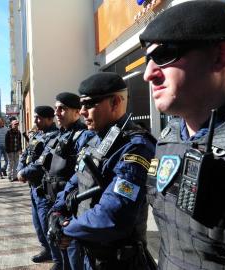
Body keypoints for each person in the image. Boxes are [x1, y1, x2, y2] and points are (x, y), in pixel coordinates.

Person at [140, 1, 225, 269]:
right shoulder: (169, 135)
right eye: (148, 60)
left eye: (165, 54)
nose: (148, 73)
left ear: (220, 55)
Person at [51, 72, 156, 269]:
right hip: (88, 253)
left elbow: (113, 214)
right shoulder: (96, 140)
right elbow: (78, 178)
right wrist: (57, 212)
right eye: (81, 105)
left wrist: (68, 229)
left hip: (119, 261)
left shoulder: (135, 146)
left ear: (115, 102)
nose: (82, 111)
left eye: (89, 104)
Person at [37, 92, 94, 270]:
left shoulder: (84, 136)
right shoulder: (59, 135)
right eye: (56, 109)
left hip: (71, 206)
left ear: (77, 112)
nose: (57, 113)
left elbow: (81, 175)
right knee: (59, 247)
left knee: (74, 254)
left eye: (62, 109)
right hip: (54, 203)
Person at [17, 106, 62, 270]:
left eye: (39, 118)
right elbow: (25, 154)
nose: (35, 121)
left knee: (47, 225)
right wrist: (19, 169)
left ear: (50, 119)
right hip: (33, 187)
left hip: (45, 189)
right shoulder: (37, 135)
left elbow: (42, 162)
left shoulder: (56, 137)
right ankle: (47, 250)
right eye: (35, 117)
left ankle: (59, 260)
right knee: (37, 224)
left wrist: (24, 172)